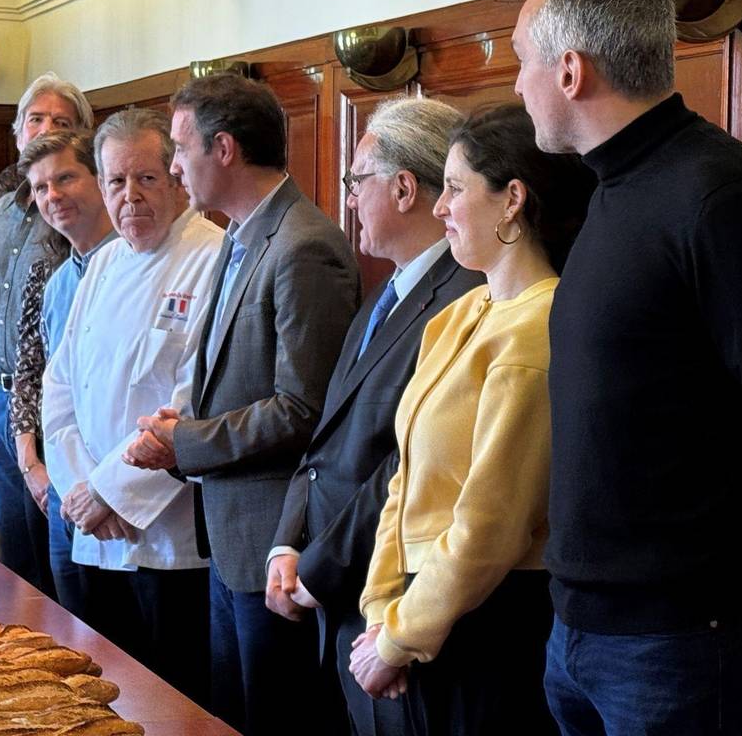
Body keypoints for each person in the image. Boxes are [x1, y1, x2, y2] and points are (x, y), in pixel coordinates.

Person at [513, 0, 742, 734]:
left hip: (685, 643)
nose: (517, 86)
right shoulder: (615, 186)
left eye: (524, 64)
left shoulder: (718, 196)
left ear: (570, 71)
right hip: (583, 630)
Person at [125, 73, 361, 736]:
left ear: (223, 149)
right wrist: (182, 431)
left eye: (179, 148)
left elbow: (305, 408)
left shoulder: (303, 246)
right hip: (231, 537)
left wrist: (188, 440)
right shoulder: (239, 235)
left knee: (276, 720)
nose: (172, 166)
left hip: (276, 543)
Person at [350, 102, 592, 734]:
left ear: (512, 200)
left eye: (454, 189)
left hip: (488, 618)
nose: (438, 207)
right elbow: (403, 481)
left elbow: (493, 521)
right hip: (420, 610)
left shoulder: (539, 324)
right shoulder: (460, 313)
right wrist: (380, 609)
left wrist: (401, 636)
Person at [266, 96, 482, 736]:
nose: (350, 200)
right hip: (338, 590)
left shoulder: (466, 295)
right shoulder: (387, 290)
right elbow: (327, 438)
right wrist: (288, 540)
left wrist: (318, 567)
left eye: (355, 182)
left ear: (405, 187)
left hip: (392, 601)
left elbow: (407, 464)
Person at [42, 110, 222, 705]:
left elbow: (193, 400)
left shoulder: (214, 256)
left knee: (171, 701)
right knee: (97, 698)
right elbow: (60, 387)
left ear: (175, 178)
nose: (131, 197)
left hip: (166, 537)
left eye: (146, 179)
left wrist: (113, 492)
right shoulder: (101, 265)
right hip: (93, 527)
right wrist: (81, 491)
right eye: (116, 182)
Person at [0, 71, 94, 594]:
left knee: (61, 568)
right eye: (36, 119)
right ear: (17, 132)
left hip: (54, 404)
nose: (45, 129)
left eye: (60, 122)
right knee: (14, 566)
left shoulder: (77, 206)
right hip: (2, 402)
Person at [7, 128, 114, 617]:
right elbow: (38, 380)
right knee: (74, 631)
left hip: (119, 497)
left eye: (66, 178)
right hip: (60, 492)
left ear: (99, 178)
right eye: (41, 188)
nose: (53, 196)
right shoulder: (52, 279)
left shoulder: (135, 264)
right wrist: (34, 467)